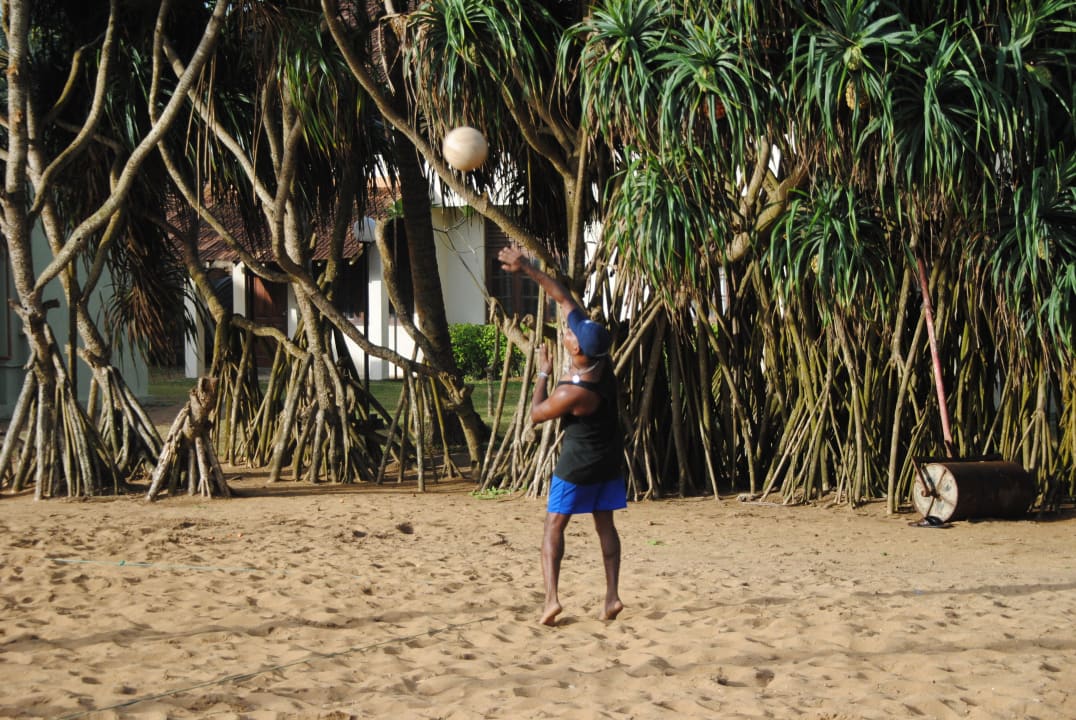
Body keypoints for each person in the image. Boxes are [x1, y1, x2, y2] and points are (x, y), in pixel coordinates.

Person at [498, 244, 626, 626]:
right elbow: (563, 297)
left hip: (578, 465)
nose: (567, 333)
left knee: (554, 525)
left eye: (571, 337)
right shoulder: (600, 364)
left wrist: (542, 373)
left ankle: (551, 599)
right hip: (609, 460)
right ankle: (612, 597)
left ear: (579, 351)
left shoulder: (574, 392)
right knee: (605, 524)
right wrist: (527, 269)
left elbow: (537, 415)